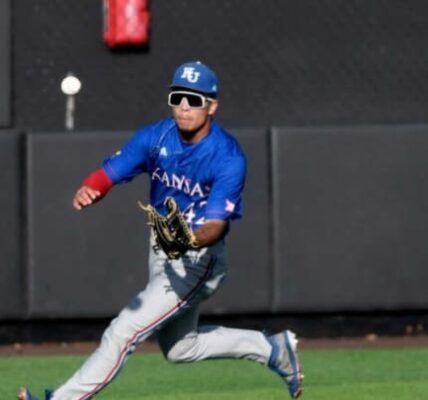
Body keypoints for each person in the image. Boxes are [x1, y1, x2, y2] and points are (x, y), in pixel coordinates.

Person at [19, 61, 303, 400]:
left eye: (194, 100)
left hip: (199, 258)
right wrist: (92, 187)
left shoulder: (227, 157)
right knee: (180, 348)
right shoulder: (156, 136)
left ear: (212, 106)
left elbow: (215, 225)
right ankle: (272, 349)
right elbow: (111, 172)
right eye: (178, 97)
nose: (184, 106)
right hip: (163, 247)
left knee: (123, 331)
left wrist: (188, 241)